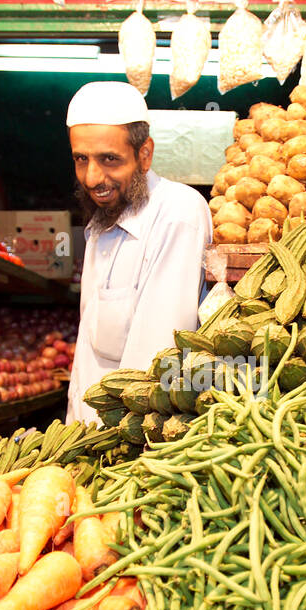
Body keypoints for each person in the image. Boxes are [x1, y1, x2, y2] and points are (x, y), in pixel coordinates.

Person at [64, 81, 213, 424]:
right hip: (86, 435)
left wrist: (109, 449)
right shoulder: (102, 222)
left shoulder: (177, 213)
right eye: (81, 159)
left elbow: (154, 362)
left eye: (109, 160)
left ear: (145, 154)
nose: (92, 177)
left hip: (128, 439)